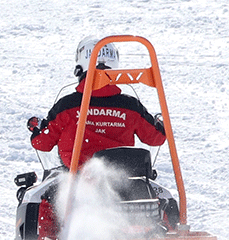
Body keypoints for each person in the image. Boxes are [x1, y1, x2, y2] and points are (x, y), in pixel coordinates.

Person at [28, 37, 166, 168]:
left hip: (77, 179)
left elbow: (42, 143)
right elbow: (156, 138)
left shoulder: (67, 106)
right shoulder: (131, 107)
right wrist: (160, 124)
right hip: (124, 179)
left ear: (80, 67)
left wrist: (36, 129)